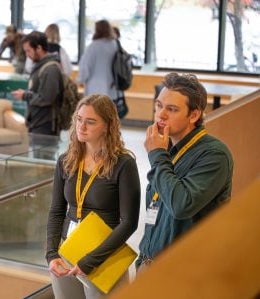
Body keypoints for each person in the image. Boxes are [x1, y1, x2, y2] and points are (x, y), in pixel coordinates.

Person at [136, 73, 234, 273]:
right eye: (159, 106)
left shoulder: (214, 154)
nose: (161, 114)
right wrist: (143, 258)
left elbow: (181, 204)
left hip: (183, 273)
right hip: (150, 264)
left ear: (194, 115)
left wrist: (156, 155)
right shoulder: (168, 148)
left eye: (171, 109)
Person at [46, 94, 141, 298]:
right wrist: (51, 254)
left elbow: (129, 223)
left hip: (104, 257)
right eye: (79, 119)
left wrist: (90, 261)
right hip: (67, 251)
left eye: (90, 122)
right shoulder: (66, 160)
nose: (82, 126)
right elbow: (56, 210)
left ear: (108, 126)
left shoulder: (123, 164)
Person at [11, 31, 63, 137]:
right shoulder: (41, 66)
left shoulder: (50, 69)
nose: (27, 55)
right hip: (37, 123)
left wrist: (25, 95)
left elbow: (47, 98)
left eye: (28, 51)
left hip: (45, 126)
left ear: (38, 48)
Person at [77, 20, 118, 100]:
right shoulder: (115, 45)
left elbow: (85, 67)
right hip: (112, 89)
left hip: (95, 89)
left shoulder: (94, 46)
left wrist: (80, 80)